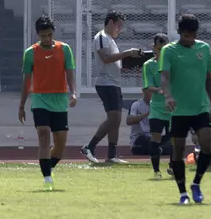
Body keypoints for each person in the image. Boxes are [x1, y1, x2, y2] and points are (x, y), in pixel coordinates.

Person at [160, 14, 211, 205]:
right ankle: (183, 192)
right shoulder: (169, 51)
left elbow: (208, 79)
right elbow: (165, 77)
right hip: (179, 110)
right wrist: (168, 95)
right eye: (185, 34)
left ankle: (196, 183)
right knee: (178, 151)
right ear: (179, 32)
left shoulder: (204, 48)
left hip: (200, 107)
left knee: (207, 144)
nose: (189, 37)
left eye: (192, 34)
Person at [18, 16, 77, 191]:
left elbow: (70, 73)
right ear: (37, 35)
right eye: (43, 36)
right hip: (40, 99)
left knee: (60, 144)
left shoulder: (64, 49)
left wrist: (73, 92)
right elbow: (26, 81)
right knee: (43, 134)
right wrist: (21, 106)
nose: (47, 39)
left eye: (50, 35)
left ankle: (48, 166)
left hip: (59, 100)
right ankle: (47, 178)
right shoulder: (30, 53)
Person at [80, 11, 141, 164]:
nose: (119, 29)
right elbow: (106, 58)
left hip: (113, 82)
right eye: (118, 26)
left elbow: (114, 62)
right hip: (105, 83)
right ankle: (90, 146)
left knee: (116, 119)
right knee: (114, 118)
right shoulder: (101, 37)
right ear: (111, 22)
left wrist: (128, 64)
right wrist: (126, 53)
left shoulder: (110, 40)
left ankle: (112, 155)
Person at [142, 33, 172, 177]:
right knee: (155, 138)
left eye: (164, 48)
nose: (161, 52)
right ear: (153, 47)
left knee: (175, 138)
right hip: (157, 108)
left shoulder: (173, 64)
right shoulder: (148, 65)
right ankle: (156, 171)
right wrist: (160, 90)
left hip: (173, 106)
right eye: (159, 48)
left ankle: (173, 167)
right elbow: (148, 86)